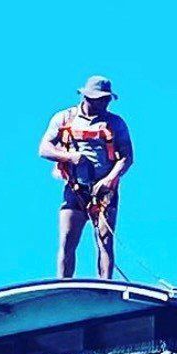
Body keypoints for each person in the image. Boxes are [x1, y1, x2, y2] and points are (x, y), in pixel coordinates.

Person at [38, 75, 134, 279]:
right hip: (75, 189)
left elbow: (127, 157)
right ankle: (63, 285)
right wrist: (70, 157)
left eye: (106, 99)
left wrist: (110, 180)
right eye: (100, 98)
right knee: (67, 240)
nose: (104, 103)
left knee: (105, 241)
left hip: (105, 191)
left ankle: (106, 285)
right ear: (87, 97)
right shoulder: (64, 118)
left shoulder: (116, 124)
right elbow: (44, 148)